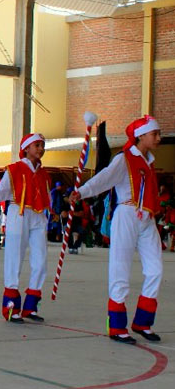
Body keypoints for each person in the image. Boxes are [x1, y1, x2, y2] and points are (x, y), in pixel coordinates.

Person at [70, 115, 163, 344]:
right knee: (120, 269)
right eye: (155, 134)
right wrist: (81, 192)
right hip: (127, 214)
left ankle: (142, 322)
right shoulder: (124, 159)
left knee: (156, 270)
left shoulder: (149, 161)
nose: (159, 138)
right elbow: (104, 179)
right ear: (141, 136)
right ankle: (117, 326)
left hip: (147, 217)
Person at [0, 133, 51, 324]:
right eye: (37, 145)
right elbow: (1, 193)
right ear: (26, 148)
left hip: (39, 216)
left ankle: (31, 306)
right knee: (14, 258)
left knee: (41, 261)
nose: (41, 149)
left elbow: (46, 195)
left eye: (42, 145)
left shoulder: (43, 173)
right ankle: (11, 307)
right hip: (19, 212)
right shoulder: (13, 169)